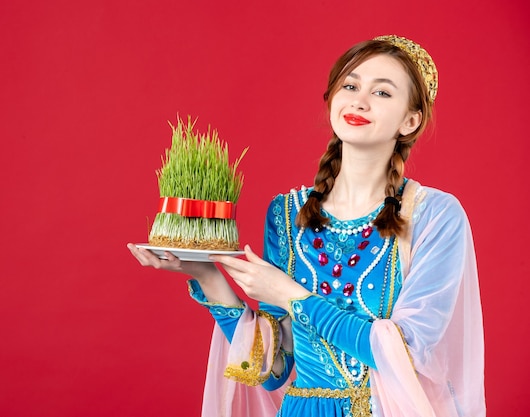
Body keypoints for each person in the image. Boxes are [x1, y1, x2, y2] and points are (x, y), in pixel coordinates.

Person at [127, 35, 485, 417]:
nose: (359, 101)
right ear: (332, 98)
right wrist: (207, 276)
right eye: (350, 85)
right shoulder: (286, 214)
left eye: (382, 93)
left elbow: (406, 348)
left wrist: (291, 296)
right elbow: (272, 371)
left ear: (410, 120)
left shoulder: (434, 215)